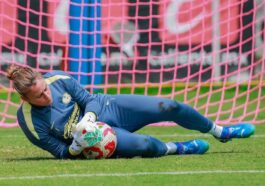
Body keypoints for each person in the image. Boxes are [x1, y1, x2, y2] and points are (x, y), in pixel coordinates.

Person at [6, 64, 255, 159]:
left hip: (107, 108)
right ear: (24, 98)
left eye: (44, 88)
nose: (46, 94)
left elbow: (88, 99)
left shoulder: (57, 78)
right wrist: (76, 146)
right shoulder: (27, 121)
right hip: (95, 141)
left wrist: (90, 117)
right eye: (39, 96)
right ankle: (178, 148)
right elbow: (59, 151)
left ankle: (219, 130)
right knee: (145, 144)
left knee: (168, 106)